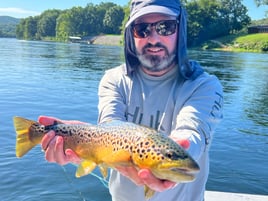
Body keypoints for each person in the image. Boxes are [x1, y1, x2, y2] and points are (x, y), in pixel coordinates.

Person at [40, 0, 223, 200]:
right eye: (142, 29)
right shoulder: (114, 79)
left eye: (166, 27)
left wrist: (175, 150)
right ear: (130, 35)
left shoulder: (204, 86)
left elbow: (193, 132)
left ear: (181, 30)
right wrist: (80, 138)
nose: (153, 38)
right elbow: (109, 126)